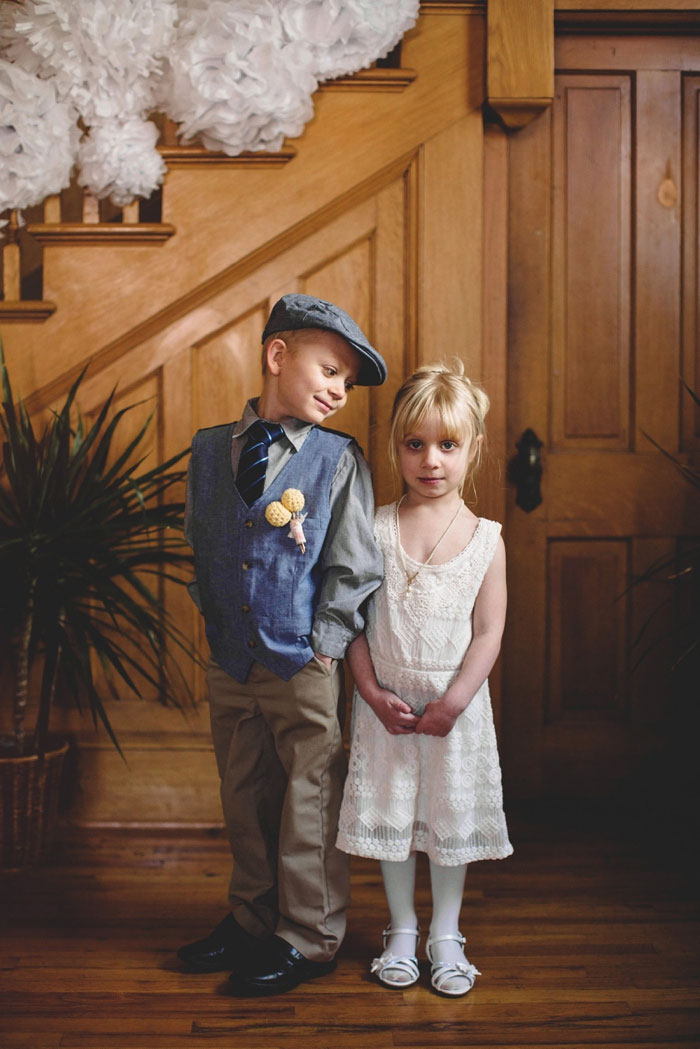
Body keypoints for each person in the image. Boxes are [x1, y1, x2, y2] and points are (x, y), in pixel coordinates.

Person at [178, 293, 386, 996]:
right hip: (232, 655)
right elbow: (201, 539)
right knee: (243, 790)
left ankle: (308, 933)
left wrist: (325, 645)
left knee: (307, 796)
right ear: (277, 356)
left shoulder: (336, 458)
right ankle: (251, 916)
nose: (338, 390)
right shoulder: (210, 450)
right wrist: (213, 622)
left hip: (302, 659)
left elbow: (354, 563)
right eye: (330, 370)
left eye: (347, 384)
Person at [336, 360, 512, 997]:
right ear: (396, 448)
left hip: (452, 711)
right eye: (415, 444)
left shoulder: (486, 539)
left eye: (447, 445)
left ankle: (446, 931)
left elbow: (489, 631)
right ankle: (402, 927)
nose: (430, 460)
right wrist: (369, 691)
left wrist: (456, 702)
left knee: (448, 821)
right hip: (387, 705)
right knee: (391, 817)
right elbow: (351, 621)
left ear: (473, 449)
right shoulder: (374, 529)